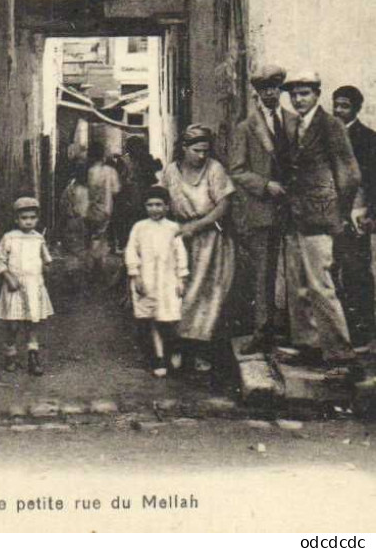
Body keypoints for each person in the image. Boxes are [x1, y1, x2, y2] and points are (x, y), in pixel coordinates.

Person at [280, 70, 362, 376]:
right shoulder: (293, 126)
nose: (298, 99)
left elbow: (350, 174)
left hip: (321, 216)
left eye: (304, 93)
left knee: (321, 284)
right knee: (298, 283)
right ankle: (309, 346)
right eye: (294, 94)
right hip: (295, 214)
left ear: (316, 94)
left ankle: (341, 354)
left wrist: (339, 212)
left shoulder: (330, 125)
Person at [229, 64, 297, 353]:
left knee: (298, 271)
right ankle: (262, 331)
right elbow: (238, 170)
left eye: (274, 88)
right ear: (257, 93)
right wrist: (265, 185)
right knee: (264, 273)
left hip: (296, 209)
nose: (269, 93)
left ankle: (298, 332)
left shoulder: (295, 122)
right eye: (263, 89)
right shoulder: (246, 128)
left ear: (280, 91)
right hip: (264, 208)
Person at [160, 124, 236, 372]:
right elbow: (162, 202)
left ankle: (201, 351)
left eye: (205, 150)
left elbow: (223, 205)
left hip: (210, 241)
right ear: (184, 148)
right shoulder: (171, 172)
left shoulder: (214, 169)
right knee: (179, 292)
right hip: (180, 238)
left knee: (206, 296)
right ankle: (178, 349)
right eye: (196, 150)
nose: (201, 155)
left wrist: (198, 225)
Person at [124, 185, 189, 377]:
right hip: (147, 279)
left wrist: (181, 279)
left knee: (169, 318)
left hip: (168, 280)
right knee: (152, 319)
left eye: (159, 205)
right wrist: (135, 275)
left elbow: (180, 255)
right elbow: (131, 252)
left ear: (167, 207)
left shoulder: (173, 228)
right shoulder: (139, 227)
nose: (154, 209)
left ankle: (174, 348)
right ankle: (159, 357)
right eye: (150, 205)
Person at [332, 85, 376, 348]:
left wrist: (372, 215)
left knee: (357, 271)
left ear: (357, 108)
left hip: (357, 216)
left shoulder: (369, 139)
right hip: (329, 215)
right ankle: (340, 331)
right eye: (335, 105)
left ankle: (364, 331)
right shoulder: (326, 136)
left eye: (344, 106)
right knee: (330, 272)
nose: (338, 110)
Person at [0, 196, 53, 376]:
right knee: (13, 324)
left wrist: (46, 267)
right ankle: (10, 352)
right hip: (15, 286)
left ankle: (33, 356)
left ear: (37, 218)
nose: (28, 221)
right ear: (16, 219)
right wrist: (7, 276)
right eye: (24, 218)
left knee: (32, 322)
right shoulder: (9, 238)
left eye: (32, 218)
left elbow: (46, 259)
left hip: (33, 284)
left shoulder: (38, 239)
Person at [113, 134, 161, 251]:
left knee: (129, 225)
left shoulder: (124, 161)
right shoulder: (143, 159)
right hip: (139, 196)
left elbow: (119, 180)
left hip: (129, 197)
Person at [85, 141, 121, 279]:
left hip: (93, 208)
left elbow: (89, 191)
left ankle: (96, 264)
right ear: (103, 156)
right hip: (107, 208)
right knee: (101, 236)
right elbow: (116, 190)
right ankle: (98, 265)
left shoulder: (90, 172)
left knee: (94, 235)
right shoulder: (110, 171)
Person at [57, 152, 90, 290]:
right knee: (81, 250)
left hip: (72, 221)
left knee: (72, 251)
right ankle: (78, 279)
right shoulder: (89, 189)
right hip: (81, 222)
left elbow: (62, 204)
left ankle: (73, 277)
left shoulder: (70, 187)